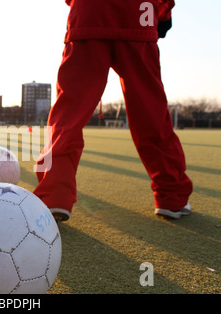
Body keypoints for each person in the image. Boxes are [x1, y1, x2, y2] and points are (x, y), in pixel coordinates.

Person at [34, 0, 193, 221]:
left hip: (89, 11)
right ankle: (172, 195)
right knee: (151, 112)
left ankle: (54, 195)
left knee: (68, 113)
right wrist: (164, 14)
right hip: (138, 12)